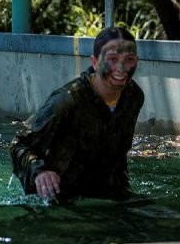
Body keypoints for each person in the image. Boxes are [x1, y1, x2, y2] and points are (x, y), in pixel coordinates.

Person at [10, 26, 144, 201]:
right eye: (112, 59)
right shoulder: (67, 100)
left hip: (109, 192)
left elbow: (118, 152)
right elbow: (18, 144)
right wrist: (39, 173)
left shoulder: (133, 97)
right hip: (62, 194)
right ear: (95, 62)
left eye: (129, 60)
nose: (121, 68)